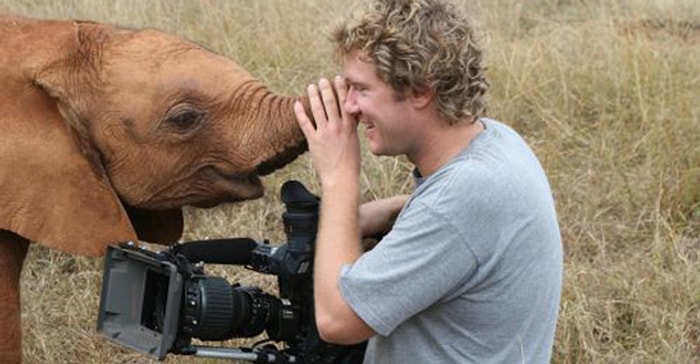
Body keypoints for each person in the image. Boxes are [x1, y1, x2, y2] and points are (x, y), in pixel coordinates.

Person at [292, 0, 563, 362]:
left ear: (421, 91)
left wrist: (339, 177)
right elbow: (458, 221)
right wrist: (364, 219)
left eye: (362, 89)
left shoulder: (464, 197)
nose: (351, 106)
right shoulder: (498, 142)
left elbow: (336, 321)